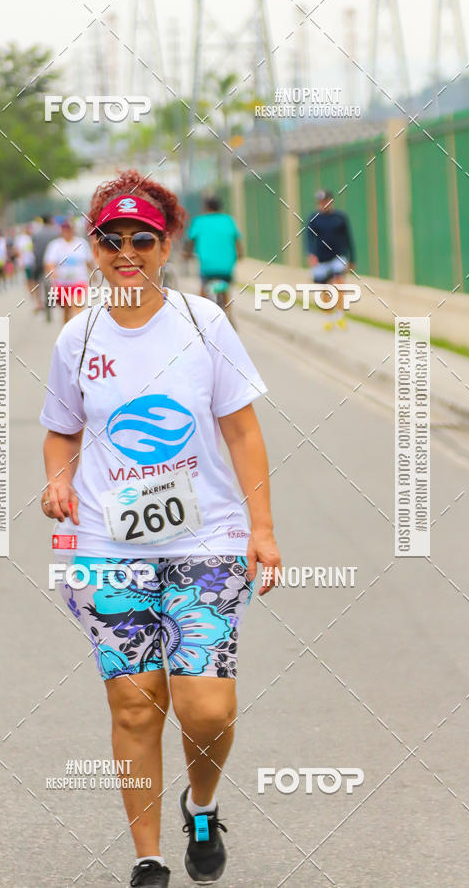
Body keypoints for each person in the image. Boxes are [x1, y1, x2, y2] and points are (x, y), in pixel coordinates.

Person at [40, 170, 281, 888]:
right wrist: (58, 478)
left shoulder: (203, 321)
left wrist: (262, 529)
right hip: (110, 548)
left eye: (141, 238)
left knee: (206, 707)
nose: (126, 251)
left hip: (205, 539)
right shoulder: (78, 336)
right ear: (93, 246)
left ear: (165, 242)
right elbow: (61, 430)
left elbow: (241, 431)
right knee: (135, 704)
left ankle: (201, 803)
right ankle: (147, 859)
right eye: (110, 239)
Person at [184, 196, 243, 326]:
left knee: (203, 287)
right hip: (226, 266)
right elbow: (237, 240)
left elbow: (190, 240)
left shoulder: (199, 221)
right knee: (225, 288)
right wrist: (240, 255)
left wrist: (187, 254)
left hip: (207, 266)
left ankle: (200, 317)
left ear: (206, 207)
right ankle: (228, 312)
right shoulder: (228, 220)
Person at [305, 189, 356, 331]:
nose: (323, 204)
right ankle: (328, 317)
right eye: (320, 202)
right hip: (321, 258)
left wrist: (352, 258)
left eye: (326, 201)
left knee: (339, 285)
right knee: (325, 289)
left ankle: (340, 316)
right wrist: (311, 254)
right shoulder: (313, 218)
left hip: (338, 257)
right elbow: (309, 239)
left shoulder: (340, 218)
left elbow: (349, 238)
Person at [44, 218, 93, 324]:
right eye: (65, 229)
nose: (67, 231)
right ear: (61, 230)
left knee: (77, 307)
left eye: (69, 228)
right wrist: (53, 272)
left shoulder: (81, 243)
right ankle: (66, 332)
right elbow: (49, 263)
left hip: (79, 282)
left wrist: (95, 274)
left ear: (73, 229)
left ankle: (81, 333)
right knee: (66, 310)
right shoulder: (55, 245)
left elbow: (89, 261)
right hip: (62, 284)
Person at [32, 215, 59, 314]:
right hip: (51, 262)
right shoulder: (55, 232)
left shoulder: (36, 233)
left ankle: (38, 303)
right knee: (53, 280)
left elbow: (34, 248)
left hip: (38, 261)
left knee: (35, 281)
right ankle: (53, 299)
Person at [14, 224, 37, 309]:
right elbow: (17, 250)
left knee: (34, 279)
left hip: (33, 261)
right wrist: (21, 261)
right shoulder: (20, 238)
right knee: (28, 279)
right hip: (25, 262)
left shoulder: (33, 237)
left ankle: (35, 292)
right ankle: (31, 293)